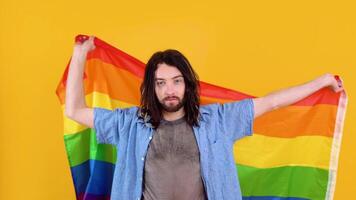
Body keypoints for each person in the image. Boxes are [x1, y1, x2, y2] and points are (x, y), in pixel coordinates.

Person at [65, 36, 344, 200]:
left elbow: (271, 102)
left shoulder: (219, 120)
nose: (169, 90)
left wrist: (320, 82)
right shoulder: (129, 124)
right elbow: (74, 110)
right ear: (151, 87)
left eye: (176, 81)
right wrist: (79, 56)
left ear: (187, 84)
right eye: (161, 83)